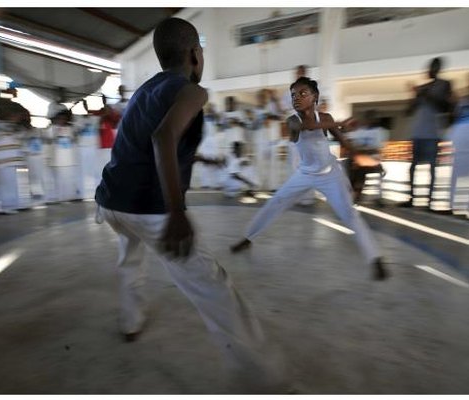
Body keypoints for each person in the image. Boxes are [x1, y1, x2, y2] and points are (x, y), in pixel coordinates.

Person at [94, 17, 284, 392]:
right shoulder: (193, 92)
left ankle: (131, 323)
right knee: (214, 288)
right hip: (148, 209)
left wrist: (199, 160)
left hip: (112, 201)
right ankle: (270, 384)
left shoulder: (143, 91)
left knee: (129, 260)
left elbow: (154, 140)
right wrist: (177, 212)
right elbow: (163, 137)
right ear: (195, 54)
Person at [230, 77, 389, 281]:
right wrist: (339, 123)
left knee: (349, 214)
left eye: (303, 93)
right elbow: (308, 126)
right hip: (304, 174)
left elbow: (345, 143)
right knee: (275, 203)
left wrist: (366, 159)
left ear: (315, 97)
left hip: (331, 174)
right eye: (294, 94)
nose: (296, 98)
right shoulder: (292, 121)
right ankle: (247, 238)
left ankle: (375, 258)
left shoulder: (325, 117)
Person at [400, 57, 453, 209]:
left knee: (431, 168)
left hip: (432, 133)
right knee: (412, 167)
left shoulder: (445, 84)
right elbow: (409, 111)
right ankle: (411, 198)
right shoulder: (423, 88)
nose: (429, 70)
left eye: (432, 67)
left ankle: (430, 202)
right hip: (417, 132)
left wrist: (424, 94)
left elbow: (444, 106)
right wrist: (413, 97)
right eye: (429, 67)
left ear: (438, 68)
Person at [280, 65, 316, 205]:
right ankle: (295, 197)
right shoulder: (288, 93)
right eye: (298, 73)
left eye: (303, 73)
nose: (300, 75)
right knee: (294, 165)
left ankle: (307, 197)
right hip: (294, 132)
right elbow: (283, 111)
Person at [345, 109, 389, 205]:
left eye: (373, 118)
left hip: (373, 159)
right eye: (369, 117)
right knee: (351, 162)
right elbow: (349, 140)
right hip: (359, 157)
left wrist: (361, 150)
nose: (371, 120)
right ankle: (354, 192)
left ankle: (356, 194)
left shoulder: (381, 132)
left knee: (359, 164)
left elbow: (377, 150)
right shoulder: (360, 130)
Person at [447, 92, 469, 215]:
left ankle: (453, 205)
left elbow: (454, 116)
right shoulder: (462, 101)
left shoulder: (462, 101)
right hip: (461, 134)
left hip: (460, 134)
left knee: (456, 175)